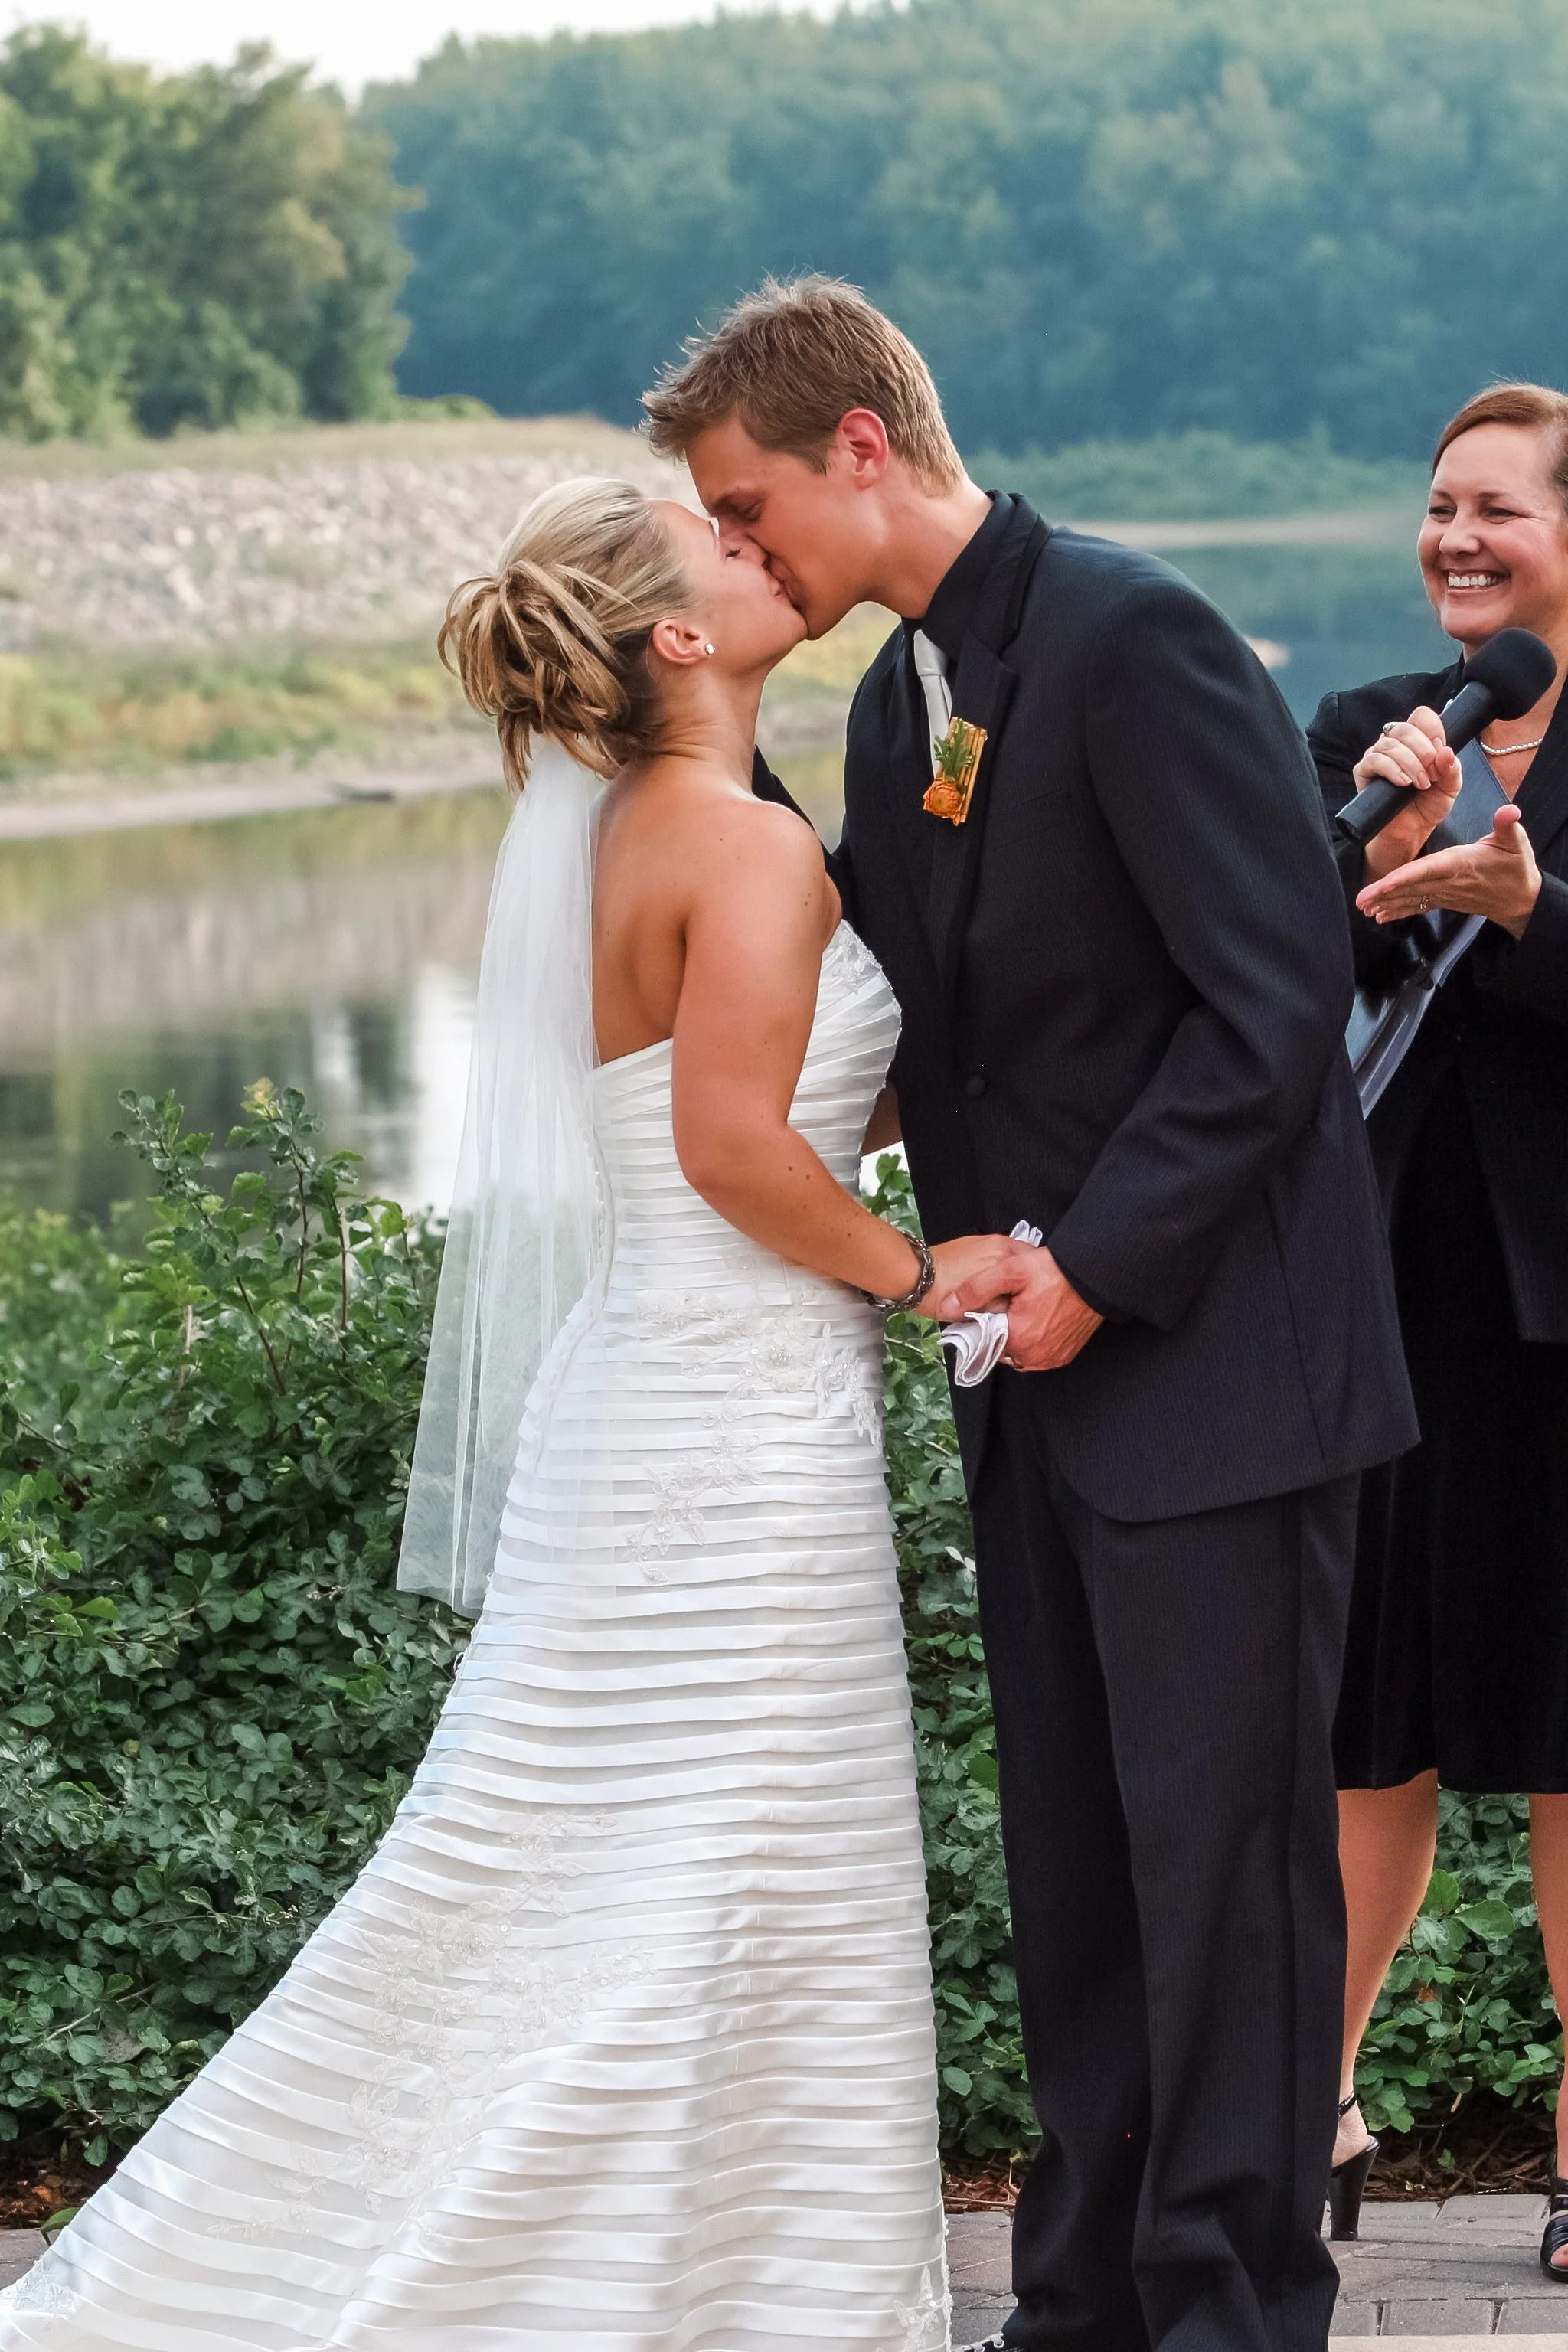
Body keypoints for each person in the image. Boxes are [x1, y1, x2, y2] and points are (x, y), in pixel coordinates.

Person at [0, 475, 1017, 2348]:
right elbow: (730, 1150)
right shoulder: (749, 846)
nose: (757, 540)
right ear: (682, 639)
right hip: (732, 1422)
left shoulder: (640, 825)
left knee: (600, 1861)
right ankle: (717, 2290)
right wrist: (922, 1276)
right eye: (719, 537)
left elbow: (765, 1099)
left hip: (640, 1396)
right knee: (713, 1869)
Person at [645, 276, 1418, 2352]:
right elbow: (932, 1045)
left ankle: (1232, 2314)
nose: (737, 551)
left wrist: (1094, 1265)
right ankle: (1079, 2302)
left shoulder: (1136, 634)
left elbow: (1275, 1017)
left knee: (1232, 1893)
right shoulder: (899, 708)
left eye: (745, 504)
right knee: (1081, 1882)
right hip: (1035, 1395)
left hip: (1223, 1377)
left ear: (861, 449)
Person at [1310, 381, 1568, 2274]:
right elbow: (1278, 980)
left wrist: (1533, 906)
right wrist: (1382, 852)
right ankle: (1301, 2118)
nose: (1457, 538)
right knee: (1357, 1727)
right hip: (1388, 1305)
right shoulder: (1372, 731)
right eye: (1439, 507)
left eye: (1498, 509)